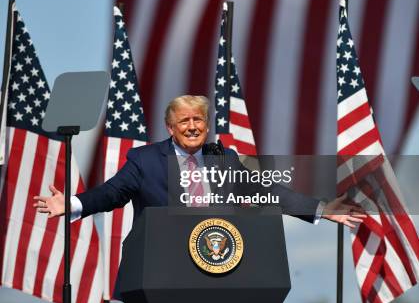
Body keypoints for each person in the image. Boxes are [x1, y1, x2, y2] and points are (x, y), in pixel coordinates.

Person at [34, 94, 365, 227]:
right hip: (159, 273)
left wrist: (321, 209)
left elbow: (268, 192)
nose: (192, 127)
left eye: (199, 121)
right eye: (184, 122)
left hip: (217, 265)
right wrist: (74, 203)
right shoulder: (144, 160)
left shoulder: (224, 159)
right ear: (170, 127)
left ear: (207, 126)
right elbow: (111, 193)